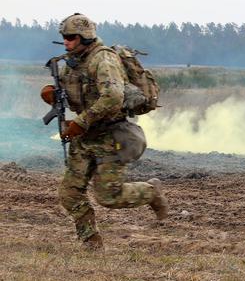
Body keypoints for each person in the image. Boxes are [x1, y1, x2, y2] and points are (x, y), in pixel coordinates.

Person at [40, 13, 168, 250]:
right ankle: (92, 242)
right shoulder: (73, 61)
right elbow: (79, 96)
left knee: (109, 197)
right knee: (69, 194)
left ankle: (151, 192)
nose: (65, 41)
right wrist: (53, 96)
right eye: (64, 37)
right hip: (84, 137)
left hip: (110, 136)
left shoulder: (103, 60)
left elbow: (113, 98)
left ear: (84, 37)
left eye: (70, 37)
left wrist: (82, 121)